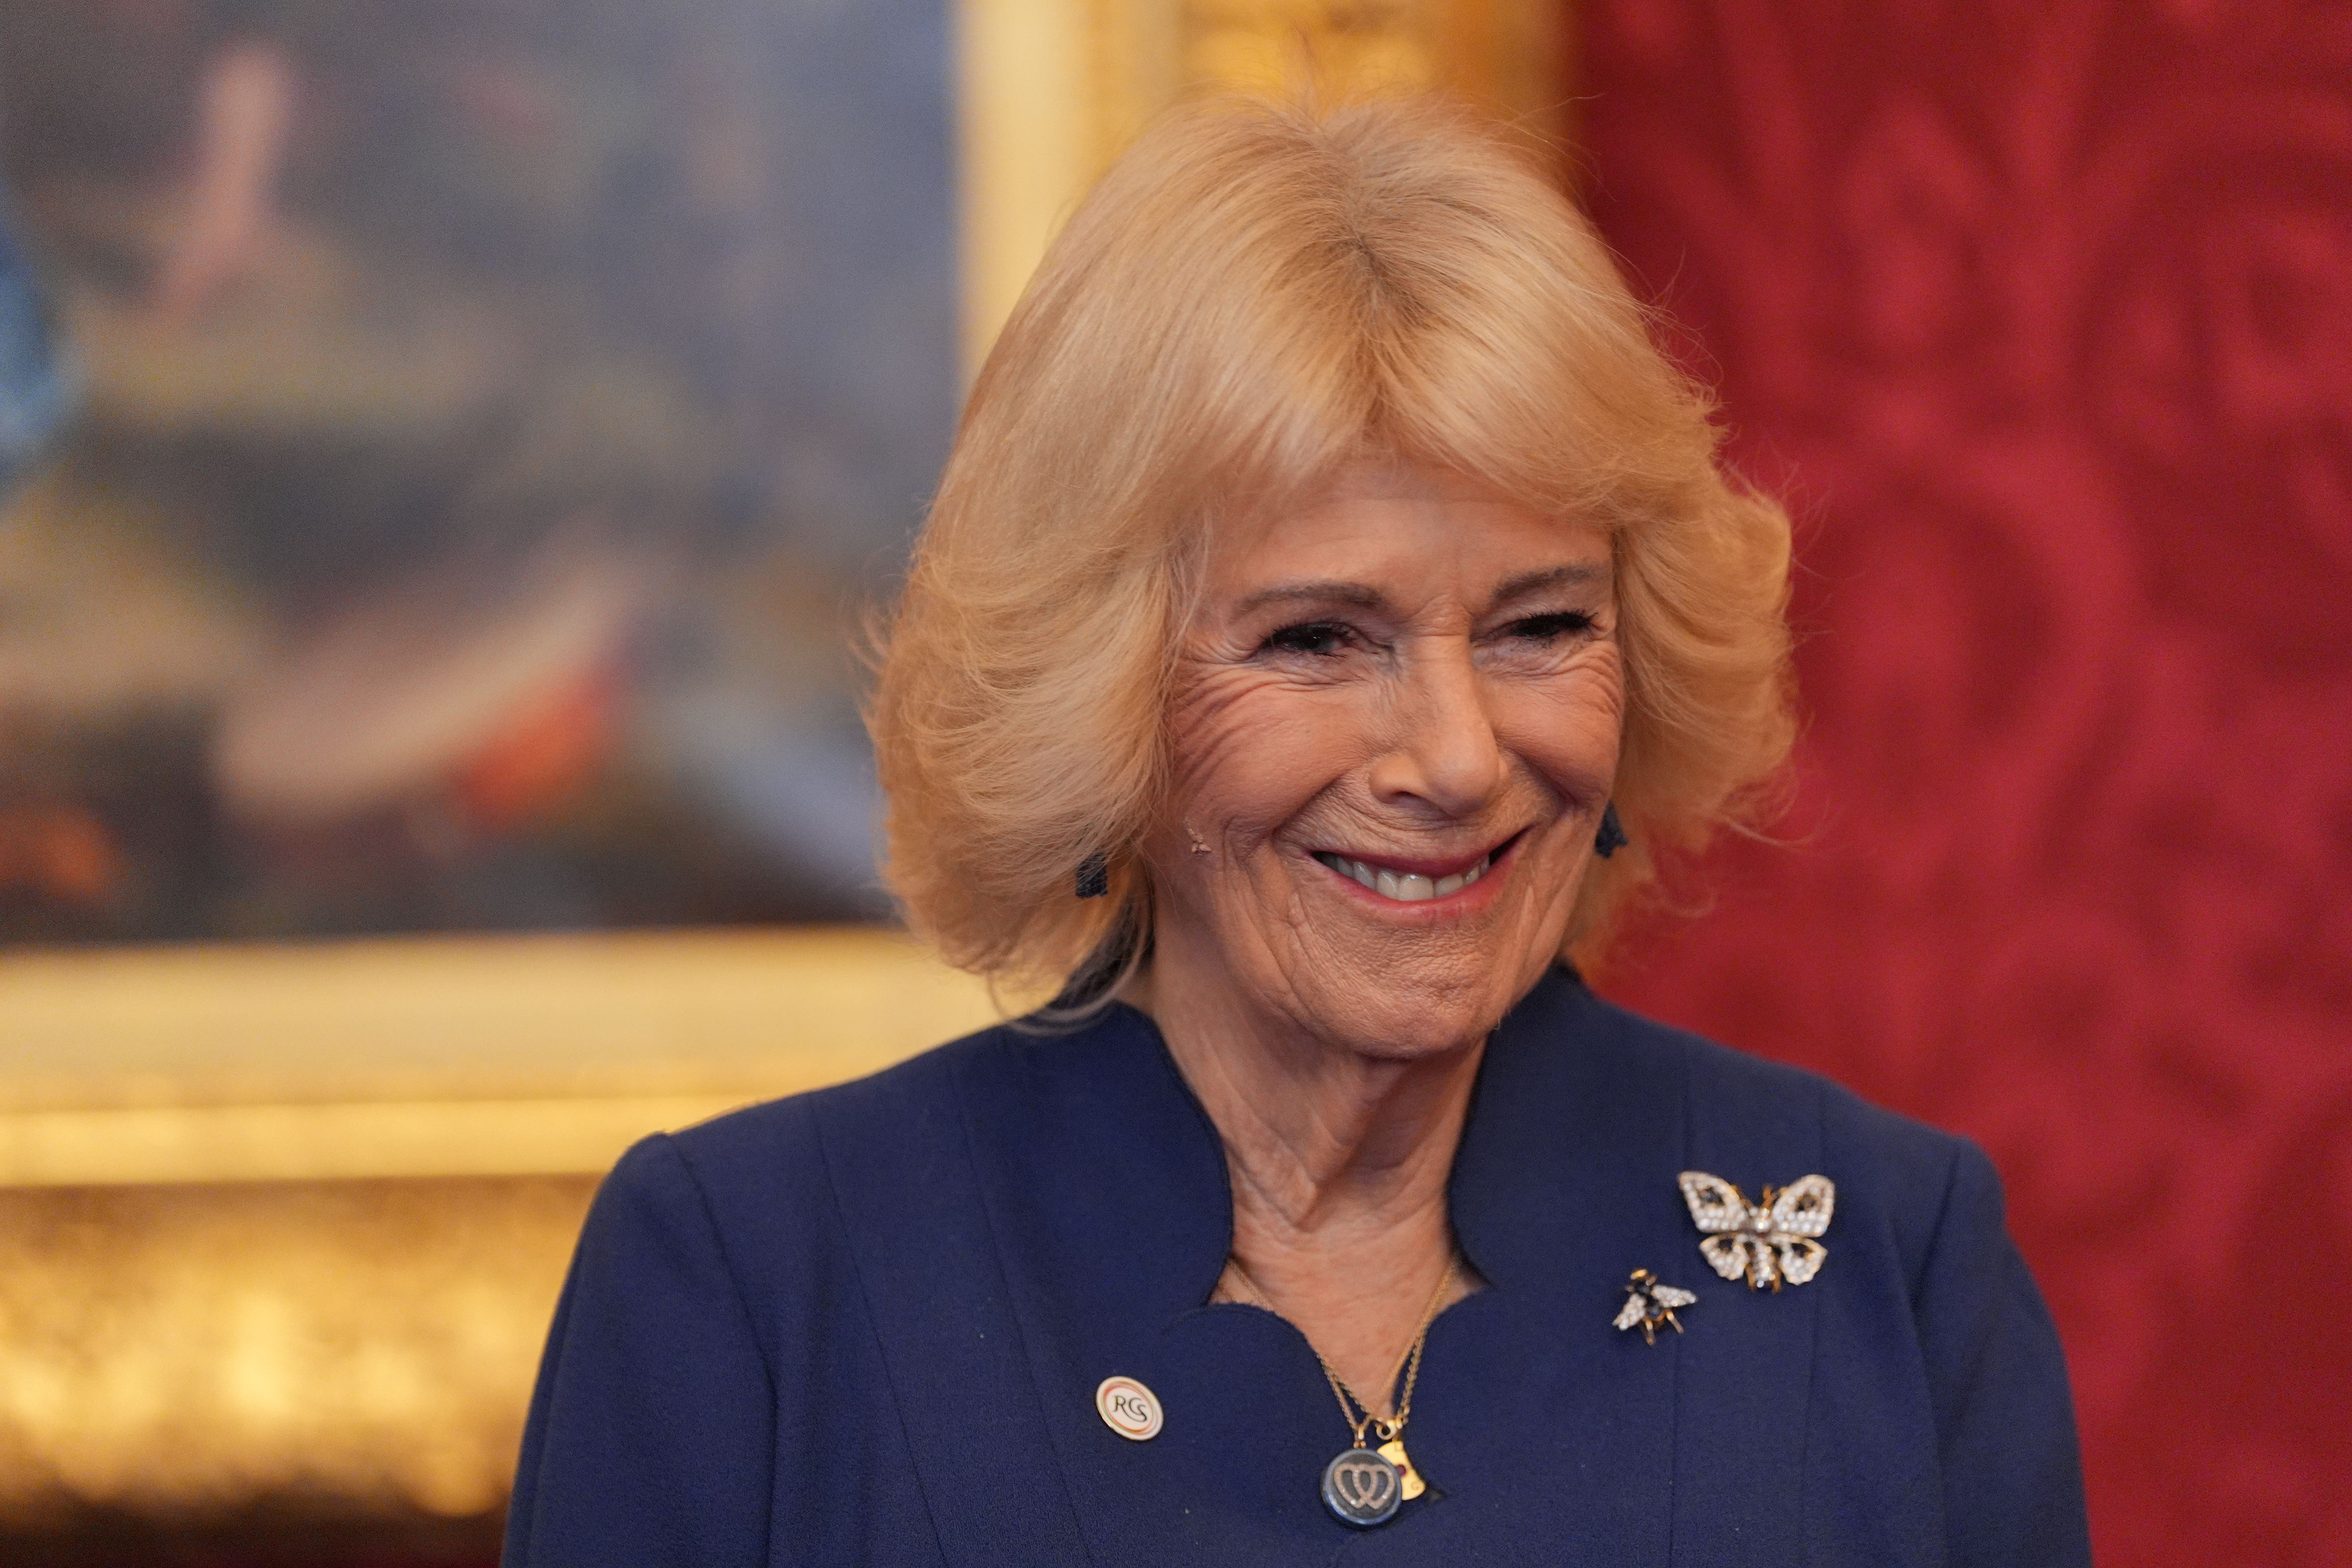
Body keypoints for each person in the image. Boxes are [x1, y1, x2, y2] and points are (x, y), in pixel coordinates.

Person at [504, 96, 2091, 1566]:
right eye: (1321, 639)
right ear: (1102, 697)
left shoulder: (1884, 1261)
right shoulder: (754, 1288)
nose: (1460, 757)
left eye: (1541, 627)